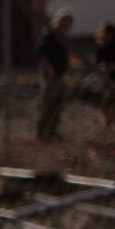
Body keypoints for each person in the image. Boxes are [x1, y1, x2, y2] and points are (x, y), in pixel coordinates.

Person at [33, 10, 76, 141]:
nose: (68, 27)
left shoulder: (63, 36)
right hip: (50, 75)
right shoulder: (49, 35)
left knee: (58, 104)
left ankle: (52, 132)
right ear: (60, 22)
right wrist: (49, 67)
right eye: (66, 23)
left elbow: (68, 52)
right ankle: (41, 133)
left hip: (62, 73)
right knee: (47, 104)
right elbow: (40, 53)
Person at [92, 21, 115, 90]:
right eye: (104, 33)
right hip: (106, 73)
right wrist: (103, 67)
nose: (106, 35)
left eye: (108, 33)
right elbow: (98, 62)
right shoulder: (101, 48)